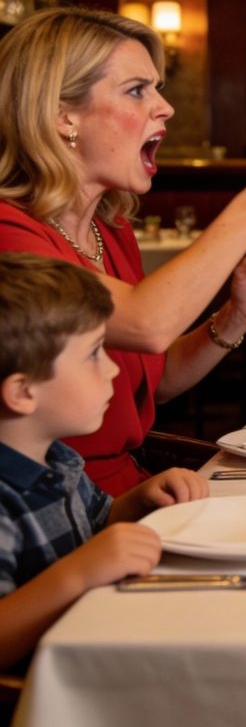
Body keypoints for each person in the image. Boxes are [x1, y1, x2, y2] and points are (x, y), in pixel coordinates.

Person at [0, 6, 246, 493]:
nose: (165, 107)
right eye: (137, 90)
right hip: (51, 506)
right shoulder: (10, 233)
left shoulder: (110, 231)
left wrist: (236, 316)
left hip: (130, 491)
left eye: (158, 88)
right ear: (63, 115)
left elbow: (158, 379)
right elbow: (146, 324)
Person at [0, 253, 207, 672]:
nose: (113, 369)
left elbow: (99, 522)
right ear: (23, 392)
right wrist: (77, 573)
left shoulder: (58, 457)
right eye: (95, 353)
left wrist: (140, 499)